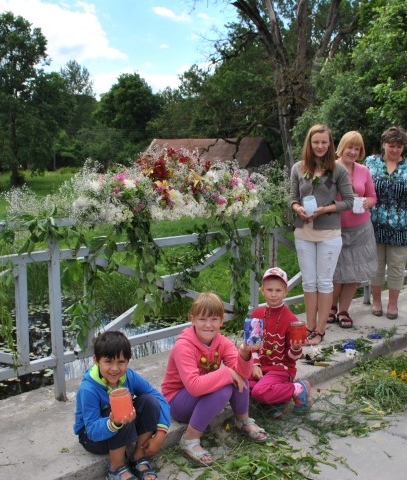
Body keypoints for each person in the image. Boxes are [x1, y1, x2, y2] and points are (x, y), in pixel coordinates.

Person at [161, 292, 267, 467]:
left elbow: (243, 373)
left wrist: (245, 353)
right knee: (224, 386)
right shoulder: (183, 346)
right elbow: (194, 386)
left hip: (202, 394)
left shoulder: (222, 342)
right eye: (202, 319)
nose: (208, 325)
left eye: (214, 319)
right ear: (192, 319)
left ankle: (243, 420)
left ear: (222, 320)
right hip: (178, 401)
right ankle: (189, 438)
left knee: (238, 378)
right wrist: (227, 374)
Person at [73, 331, 170, 480]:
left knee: (149, 401)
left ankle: (139, 456)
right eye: (108, 362)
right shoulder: (89, 389)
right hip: (92, 437)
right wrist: (113, 423)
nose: (114, 368)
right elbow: (91, 429)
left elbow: (158, 397)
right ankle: (116, 468)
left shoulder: (129, 376)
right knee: (120, 412)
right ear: (96, 360)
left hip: (121, 427)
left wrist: (161, 434)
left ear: (128, 361)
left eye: (121, 362)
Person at [289, 124, 355, 345]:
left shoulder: (338, 169)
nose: (319, 146)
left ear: (330, 144)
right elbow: (292, 198)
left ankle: (320, 330)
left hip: (328, 233)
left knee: (324, 282)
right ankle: (308, 327)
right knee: (309, 282)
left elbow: (348, 201)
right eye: (315, 142)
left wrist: (325, 209)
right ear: (309, 143)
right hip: (303, 231)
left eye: (324, 142)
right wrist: (297, 208)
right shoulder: (298, 168)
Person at [365, 126, 407, 319]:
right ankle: (376, 302)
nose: (395, 150)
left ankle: (393, 305)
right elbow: (361, 185)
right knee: (375, 265)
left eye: (399, 146)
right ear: (383, 144)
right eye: (391, 145)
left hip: (401, 225)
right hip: (374, 223)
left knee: (397, 266)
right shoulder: (371, 162)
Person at [330, 131, 379, 328]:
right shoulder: (330, 168)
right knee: (336, 271)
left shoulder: (364, 170)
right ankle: (331, 307)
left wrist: (368, 201)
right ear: (341, 147)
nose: (352, 152)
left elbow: (373, 196)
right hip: (335, 228)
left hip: (360, 229)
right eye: (349, 147)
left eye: (357, 148)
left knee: (354, 272)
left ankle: (344, 310)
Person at [248, 267, 310, 418]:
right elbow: (252, 345)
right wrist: (255, 364)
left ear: (285, 291)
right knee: (240, 385)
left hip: (281, 369)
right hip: (261, 366)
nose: (274, 294)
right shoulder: (257, 313)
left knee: (258, 392)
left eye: (278, 290)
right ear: (262, 290)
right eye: (269, 290)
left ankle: (298, 388)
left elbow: (292, 358)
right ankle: (278, 400)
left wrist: (296, 348)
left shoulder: (292, 321)